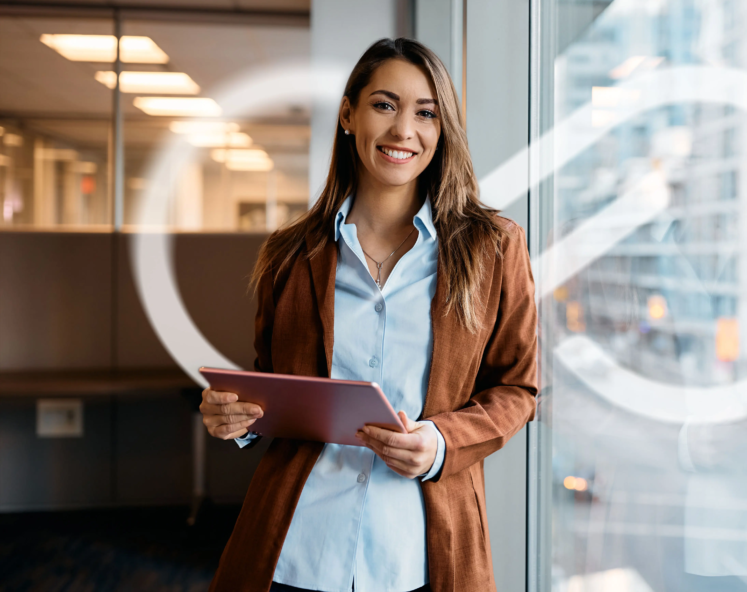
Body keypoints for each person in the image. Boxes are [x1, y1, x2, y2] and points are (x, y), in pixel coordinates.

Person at [199, 38, 538, 592]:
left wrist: (441, 442)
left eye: (425, 112)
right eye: (385, 105)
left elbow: (518, 388)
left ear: (442, 127)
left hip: (420, 554)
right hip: (297, 550)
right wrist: (236, 420)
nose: (404, 130)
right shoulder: (290, 254)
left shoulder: (493, 247)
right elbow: (272, 385)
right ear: (348, 115)